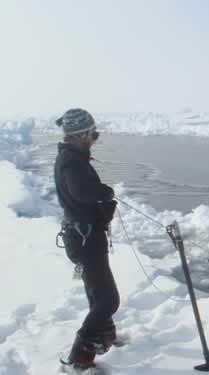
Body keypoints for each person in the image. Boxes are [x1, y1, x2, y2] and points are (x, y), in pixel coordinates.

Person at [54, 108, 120, 370]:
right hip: (84, 238)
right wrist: (104, 192)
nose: (96, 136)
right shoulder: (71, 161)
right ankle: (79, 358)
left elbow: (80, 193)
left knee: (98, 292)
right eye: (93, 133)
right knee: (108, 300)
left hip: (83, 236)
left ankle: (104, 337)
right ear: (82, 134)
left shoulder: (71, 156)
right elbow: (81, 191)